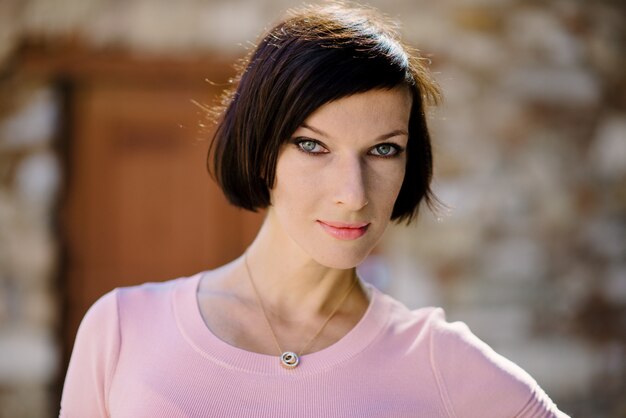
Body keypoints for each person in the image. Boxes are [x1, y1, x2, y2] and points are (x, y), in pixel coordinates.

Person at [60, 3, 570, 417]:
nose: (353, 193)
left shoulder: (440, 360)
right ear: (263, 153)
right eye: (313, 145)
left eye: (384, 149)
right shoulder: (122, 328)